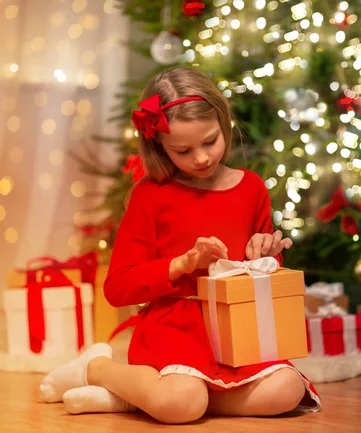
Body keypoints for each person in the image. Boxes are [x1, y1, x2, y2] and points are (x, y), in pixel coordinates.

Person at [39, 66, 321, 424]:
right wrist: (181, 265)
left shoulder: (251, 188)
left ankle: (143, 397)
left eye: (210, 141)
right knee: (183, 401)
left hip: (235, 328)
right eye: (182, 150)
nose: (201, 158)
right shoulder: (150, 196)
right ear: (158, 144)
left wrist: (264, 258)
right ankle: (96, 369)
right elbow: (118, 287)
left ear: (225, 122)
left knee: (288, 388)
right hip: (174, 328)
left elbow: (261, 274)